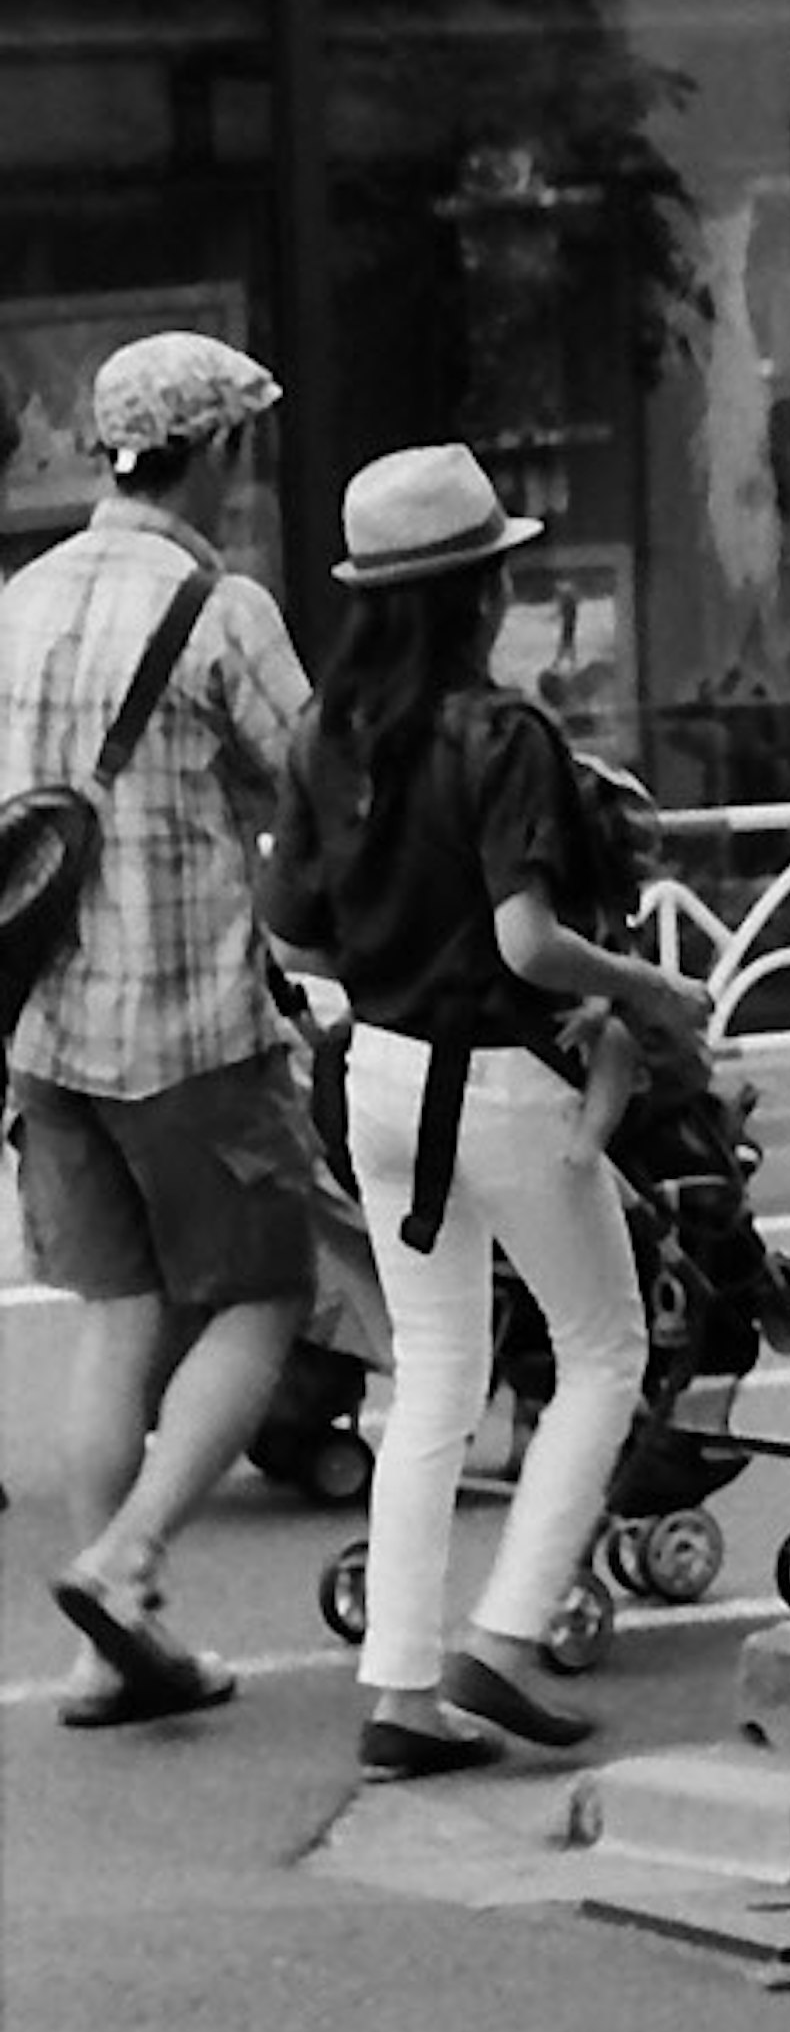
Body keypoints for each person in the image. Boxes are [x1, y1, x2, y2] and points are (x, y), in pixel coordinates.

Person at [261, 442, 714, 1777]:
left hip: (384, 1080)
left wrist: (403, 962)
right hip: (504, 1079)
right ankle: (505, 1640)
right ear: (477, 593)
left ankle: (401, 1687)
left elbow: (297, 943)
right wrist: (650, 991)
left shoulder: (327, 738)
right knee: (606, 1350)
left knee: (436, 1380)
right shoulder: (500, 737)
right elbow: (528, 944)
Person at [0, 328, 317, 1726]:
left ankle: (99, 1653)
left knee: (116, 1316)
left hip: (47, 1029)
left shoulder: (18, 600)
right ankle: (125, 1565)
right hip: (191, 1029)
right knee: (263, 1292)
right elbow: (308, 780)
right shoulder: (221, 607)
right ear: (221, 455)